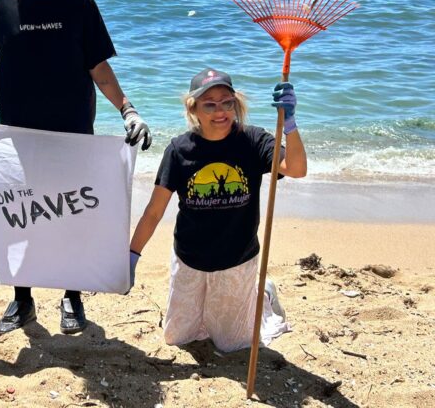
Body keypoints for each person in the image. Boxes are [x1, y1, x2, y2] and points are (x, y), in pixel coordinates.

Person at [0, 0, 152, 336]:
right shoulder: (1, 2)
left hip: (74, 131)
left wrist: (128, 109)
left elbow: (98, 67)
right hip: (18, 132)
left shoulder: (80, 3)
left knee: (70, 216)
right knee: (20, 215)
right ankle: (22, 300)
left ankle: (72, 298)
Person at [128, 68, 306, 353]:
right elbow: (154, 211)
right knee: (177, 338)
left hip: (237, 260)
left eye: (227, 102)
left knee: (234, 344)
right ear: (194, 108)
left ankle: (264, 294)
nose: (220, 111)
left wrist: (290, 123)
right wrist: (132, 256)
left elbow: (296, 169)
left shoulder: (254, 141)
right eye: (209, 104)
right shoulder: (179, 150)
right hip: (189, 259)